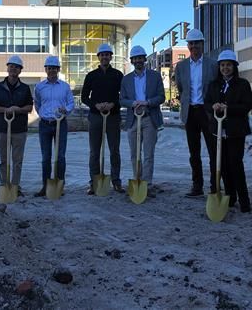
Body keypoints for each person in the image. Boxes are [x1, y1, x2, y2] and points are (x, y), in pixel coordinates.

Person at [204, 50, 252, 213]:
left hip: (235, 131)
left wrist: (228, 108)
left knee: (235, 164)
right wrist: (213, 106)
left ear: (234, 67)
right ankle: (230, 197)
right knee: (222, 165)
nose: (225, 68)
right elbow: (207, 102)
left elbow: (247, 106)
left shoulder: (242, 84)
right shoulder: (214, 84)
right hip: (217, 130)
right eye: (223, 65)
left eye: (229, 65)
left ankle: (244, 201)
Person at [174, 28, 219, 197]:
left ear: (202, 44)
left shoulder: (212, 65)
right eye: (191, 43)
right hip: (190, 113)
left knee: (213, 151)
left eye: (197, 43)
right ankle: (197, 185)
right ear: (188, 46)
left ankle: (214, 186)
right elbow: (181, 88)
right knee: (194, 153)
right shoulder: (181, 66)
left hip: (207, 113)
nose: (194, 46)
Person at [120, 46, 165, 198]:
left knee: (148, 154)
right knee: (134, 153)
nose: (138, 61)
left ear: (145, 59)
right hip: (133, 120)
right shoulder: (126, 79)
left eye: (140, 58)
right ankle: (137, 180)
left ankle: (147, 183)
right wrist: (132, 103)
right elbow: (122, 100)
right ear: (132, 61)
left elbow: (161, 97)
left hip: (149, 118)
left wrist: (147, 102)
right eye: (135, 58)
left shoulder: (155, 76)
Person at [81, 43, 125, 194]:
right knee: (94, 151)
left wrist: (113, 104)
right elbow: (84, 97)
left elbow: (124, 96)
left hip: (113, 117)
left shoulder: (118, 75)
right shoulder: (91, 76)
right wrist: (96, 105)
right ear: (98, 57)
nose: (105, 57)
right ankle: (94, 182)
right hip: (95, 117)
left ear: (111, 56)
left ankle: (116, 181)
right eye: (102, 54)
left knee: (114, 150)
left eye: (108, 54)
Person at [0, 55, 34, 197]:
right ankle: (4, 185)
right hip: (2, 128)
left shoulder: (25, 88)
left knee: (17, 160)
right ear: (7, 68)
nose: (13, 69)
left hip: (19, 129)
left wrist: (17, 109)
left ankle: (15, 186)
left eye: (16, 67)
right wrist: (5, 110)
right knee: (3, 159)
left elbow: (29, 107)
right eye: (11, 66)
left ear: (20, 70)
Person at [33, 55, 74, 197]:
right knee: (46, 157)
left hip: (60, 124)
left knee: (60, 156)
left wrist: (66, 110)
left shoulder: (65, 87)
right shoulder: (39, 87)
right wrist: (43, 115)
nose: (52, 71)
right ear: (46, 69)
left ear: (58, 69)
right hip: (45, 124)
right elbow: (37, 104)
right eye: (49, 68)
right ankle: (45, 186)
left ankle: (60, 185)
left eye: (54, 68)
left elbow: (70, 103)